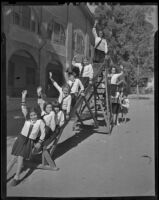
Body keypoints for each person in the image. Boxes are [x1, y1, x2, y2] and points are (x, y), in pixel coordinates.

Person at [7, 90, 46, 186]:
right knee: (13, 158)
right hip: (21, 139)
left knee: (20, 158)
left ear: (37, 114)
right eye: (32, 115)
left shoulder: (40, 122)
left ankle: (17, 177)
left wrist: (39, 142)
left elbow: (43, 134)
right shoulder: (27, 119)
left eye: (35, 115)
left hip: (29, 141)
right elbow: (23, 106)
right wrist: (23, 96)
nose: (33, 116)